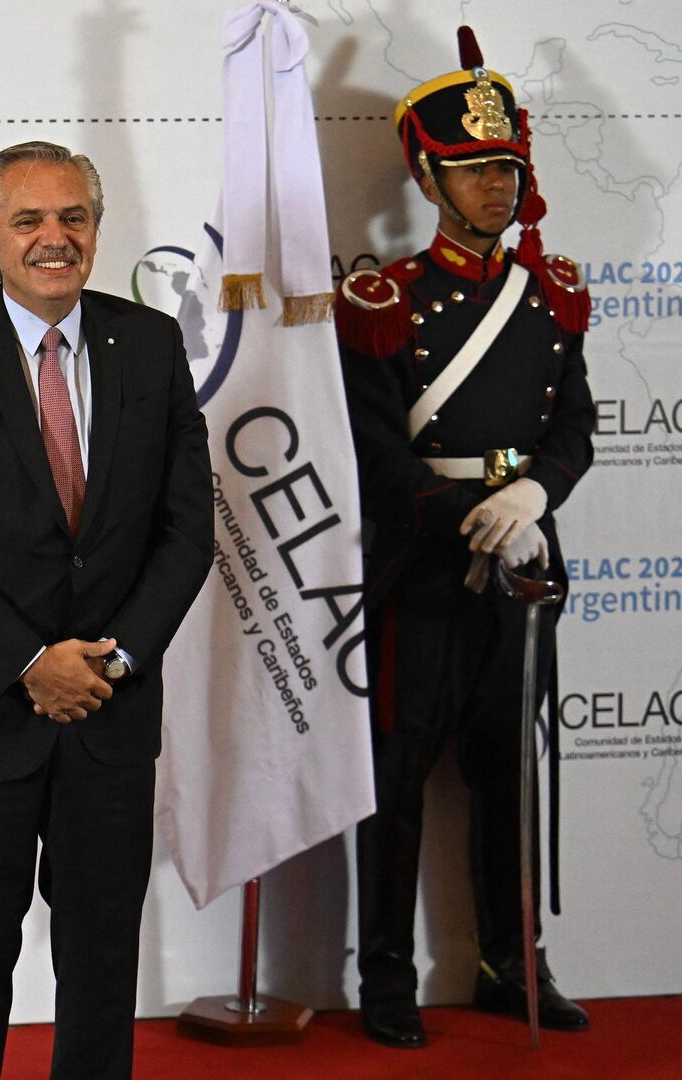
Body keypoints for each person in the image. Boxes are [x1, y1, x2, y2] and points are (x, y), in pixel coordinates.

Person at [0, 141, 212, 1079]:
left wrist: (115, 661)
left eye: (74, 218)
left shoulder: (150, 345)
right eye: (29, 220)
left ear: (97, 230)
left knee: (103, 966)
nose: (53, 238)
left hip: (110, 710)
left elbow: (187, 531)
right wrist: (30, 662)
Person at [335, 25, 594, 1049]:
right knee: (396, 781)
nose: (498, 187)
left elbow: (573, 424)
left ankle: (509, 964)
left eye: (508, 168)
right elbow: (374, 453)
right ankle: (387, 981)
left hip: (525, 564)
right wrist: (463, 515)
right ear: (429, 175)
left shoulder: (554, 295)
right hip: (424, 569)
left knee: (509, 777)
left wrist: (534, 499)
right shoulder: (385, 302)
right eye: (476, 169)